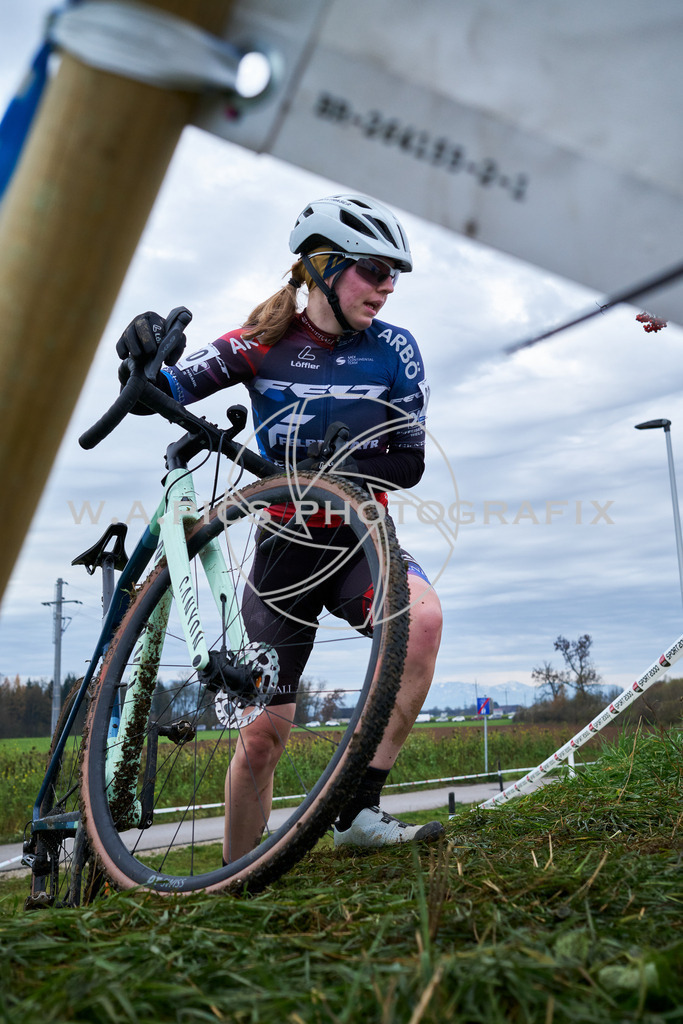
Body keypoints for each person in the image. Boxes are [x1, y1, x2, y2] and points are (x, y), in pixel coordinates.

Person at [116, 194, 444, 859]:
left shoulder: (395, 350)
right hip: (282, 553)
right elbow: (167, 390)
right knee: (262, 739)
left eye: (393, 275)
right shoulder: (260, 341)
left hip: (359, 541)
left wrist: (338, 464)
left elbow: (409, 462)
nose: (387, 287)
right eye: (374, 270)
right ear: (323, 266)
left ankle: (357, 811)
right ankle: (236, 877)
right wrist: (140, 354)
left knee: (424, 622)